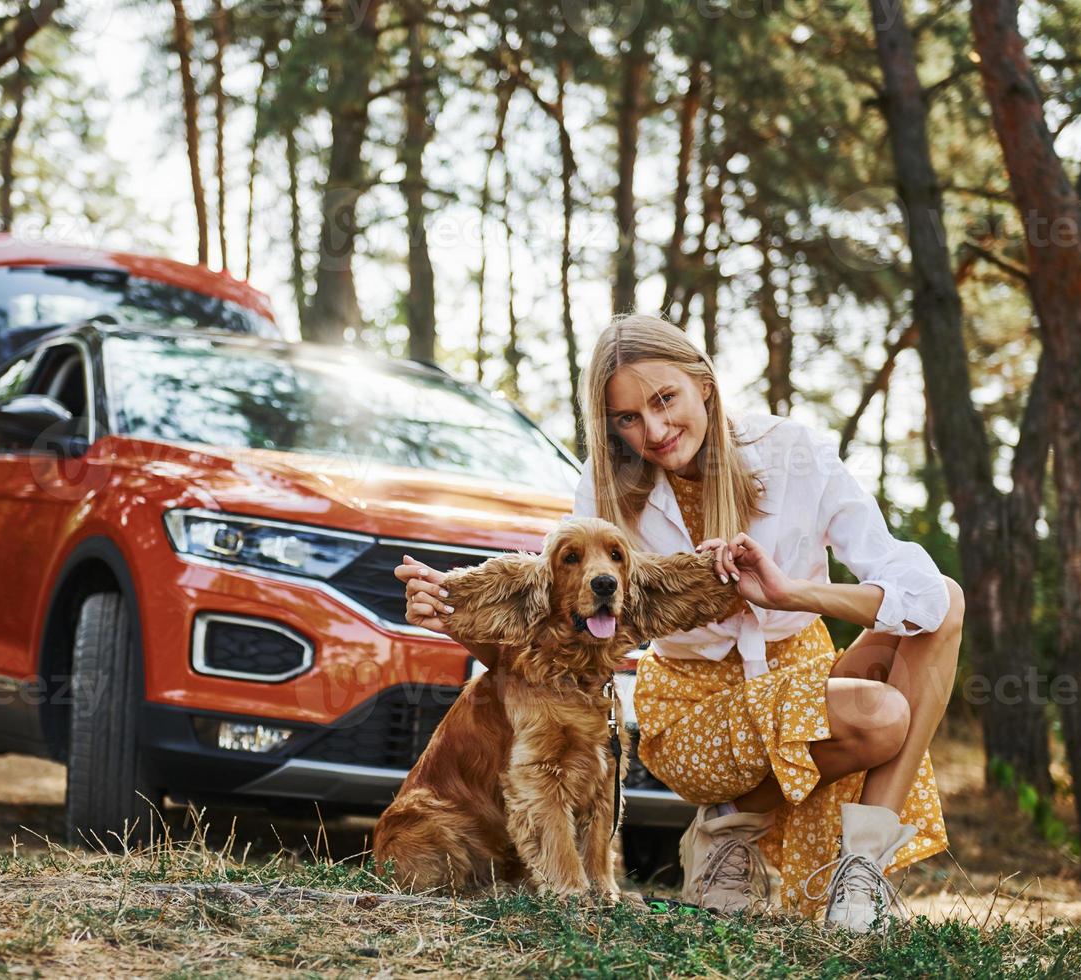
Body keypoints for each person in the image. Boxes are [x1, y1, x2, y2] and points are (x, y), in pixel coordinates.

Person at [396, 312, 964, 931]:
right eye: (628, 419)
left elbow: (926, 597)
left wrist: (790, 593)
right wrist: (452, 615)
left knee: (947, 603)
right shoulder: (608, 487)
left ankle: (862, 875)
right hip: (694, 707)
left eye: (666, 400)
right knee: (879, 714)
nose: (656, 430)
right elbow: (553, 620)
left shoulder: (794, 452)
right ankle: (725, 829)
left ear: (706, 384)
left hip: (803, 676)